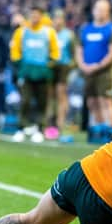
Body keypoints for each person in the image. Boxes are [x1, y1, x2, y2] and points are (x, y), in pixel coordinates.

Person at [75, 0, 112, 143]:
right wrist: (82, 65)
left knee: (105, 101)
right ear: (93, 10)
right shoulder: (86, 29)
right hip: (87, 72)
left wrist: (99, 65)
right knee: (91, 101)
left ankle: (111, 132)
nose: (100, 12)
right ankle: (99, 129)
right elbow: (79, 49)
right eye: (98, 9)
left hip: (105, 72)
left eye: (103, 9)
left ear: (108, 12)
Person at [10, 6, 59, 142]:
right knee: (25, 100)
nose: (34, 17)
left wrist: (50, 64)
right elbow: (15, 50)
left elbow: (55, 51)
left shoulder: (49, 32)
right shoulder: (22, 32)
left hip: (43, 71)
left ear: (42, 16)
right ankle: (21, 127)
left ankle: (39, 128)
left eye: (37, 15)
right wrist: (19, 63)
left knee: (42, 101)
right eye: (32, 15)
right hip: (26, 71)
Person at [47, 9, 75, 138]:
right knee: (50, 96)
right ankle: (49, 124)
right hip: (50, 66)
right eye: (55, 18)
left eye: (60, 18)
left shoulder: (69, 35)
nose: (57, 21)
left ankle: (60, 124)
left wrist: (71, 65)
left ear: (63, 21)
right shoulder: (48, 34)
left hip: (63, 67)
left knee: (61, 95)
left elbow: (74, 54)